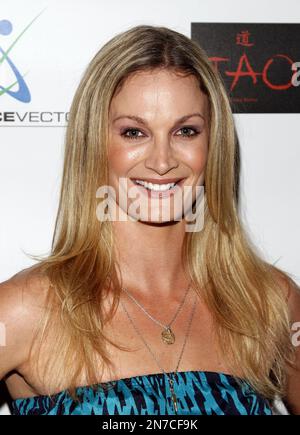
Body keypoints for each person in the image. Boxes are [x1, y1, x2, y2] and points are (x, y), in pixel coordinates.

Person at [0, 24, 299, 416]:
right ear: (95, 142)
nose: (162, 161)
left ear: (213, 144)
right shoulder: (25, 310)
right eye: (134, 132)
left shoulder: (269, 303)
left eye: (186, 130)